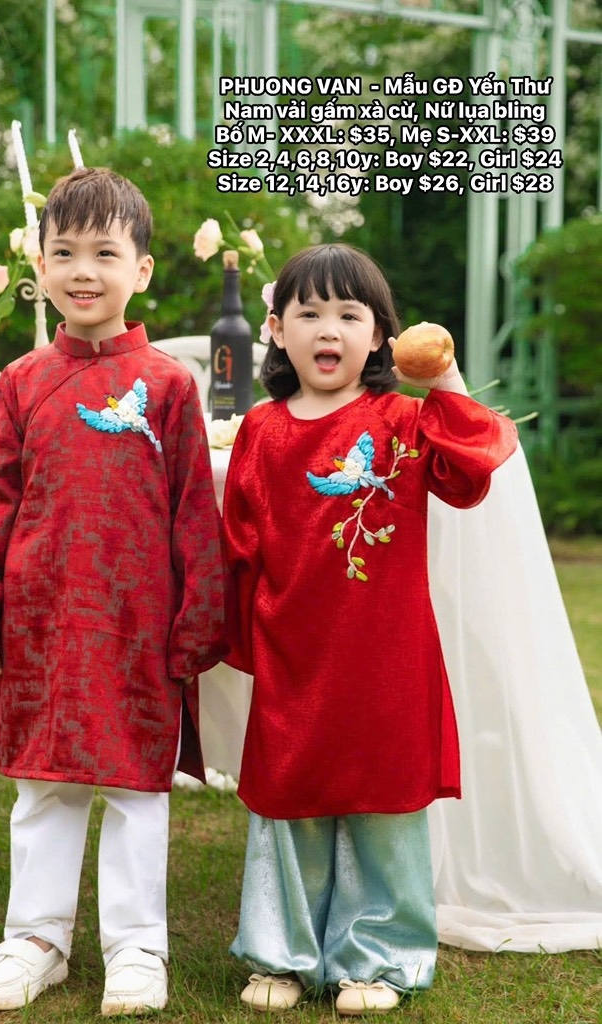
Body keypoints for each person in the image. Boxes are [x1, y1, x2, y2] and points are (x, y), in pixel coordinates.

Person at [0, 166, 227, 1016]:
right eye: (64, 251)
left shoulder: (171, 386)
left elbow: (195, 513)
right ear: (39, 264)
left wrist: (197, 626)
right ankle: (36, 939)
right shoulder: (22, 382)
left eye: (105, 253)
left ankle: (137, 947)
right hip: (41, 622)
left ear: (141, 269)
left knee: (138, 788)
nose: (83, 270)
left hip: (139, 624)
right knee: (45, 785)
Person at [221, 243, 518, 1016]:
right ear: (277, 330)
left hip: (386, 654)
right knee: (289, 798)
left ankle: (380, 957)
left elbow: (472, 471)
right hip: (293, 648)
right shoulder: (261, 428)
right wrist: (239, 638)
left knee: (384, 805)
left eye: (349, 315)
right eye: (309, 313)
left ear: (380, 334)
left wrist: (443, 380)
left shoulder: (403, 422)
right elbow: (239, 542)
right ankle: (282, 952)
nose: (329, 329)